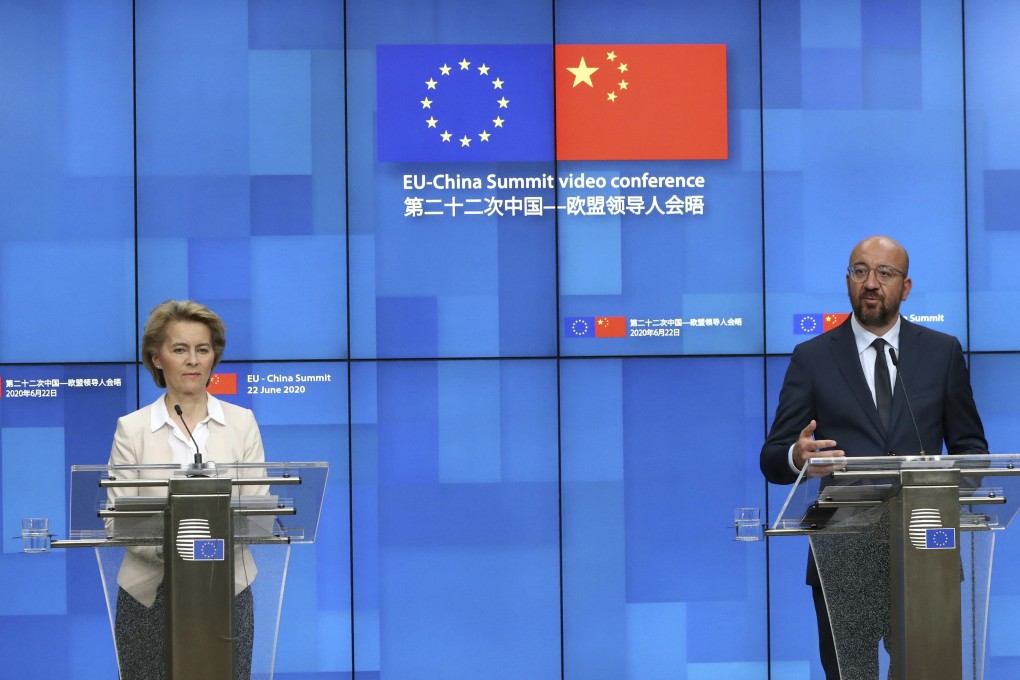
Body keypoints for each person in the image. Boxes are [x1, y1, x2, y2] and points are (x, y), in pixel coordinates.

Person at [760, 236, 987, 679]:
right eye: (860, 270)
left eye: (885, 273)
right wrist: (797, 455)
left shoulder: (941, 354)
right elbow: (772, 458)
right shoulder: (813, 358)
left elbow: (972, 454)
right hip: (842, 559)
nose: (871, 282)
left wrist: (939, 493)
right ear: (848, 281)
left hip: (925, 550)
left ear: (905, 287)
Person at [107, 299, 265, 679]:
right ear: (157, 358)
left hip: (227, 588)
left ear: (214, 357)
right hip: (148, 594)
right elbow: (118, 522)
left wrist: (208, 552)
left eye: (203, 349)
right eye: (180, 349)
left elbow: (258, 512)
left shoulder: (242, 423)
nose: (193, 360)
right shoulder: (133, 428)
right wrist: (183, 551)